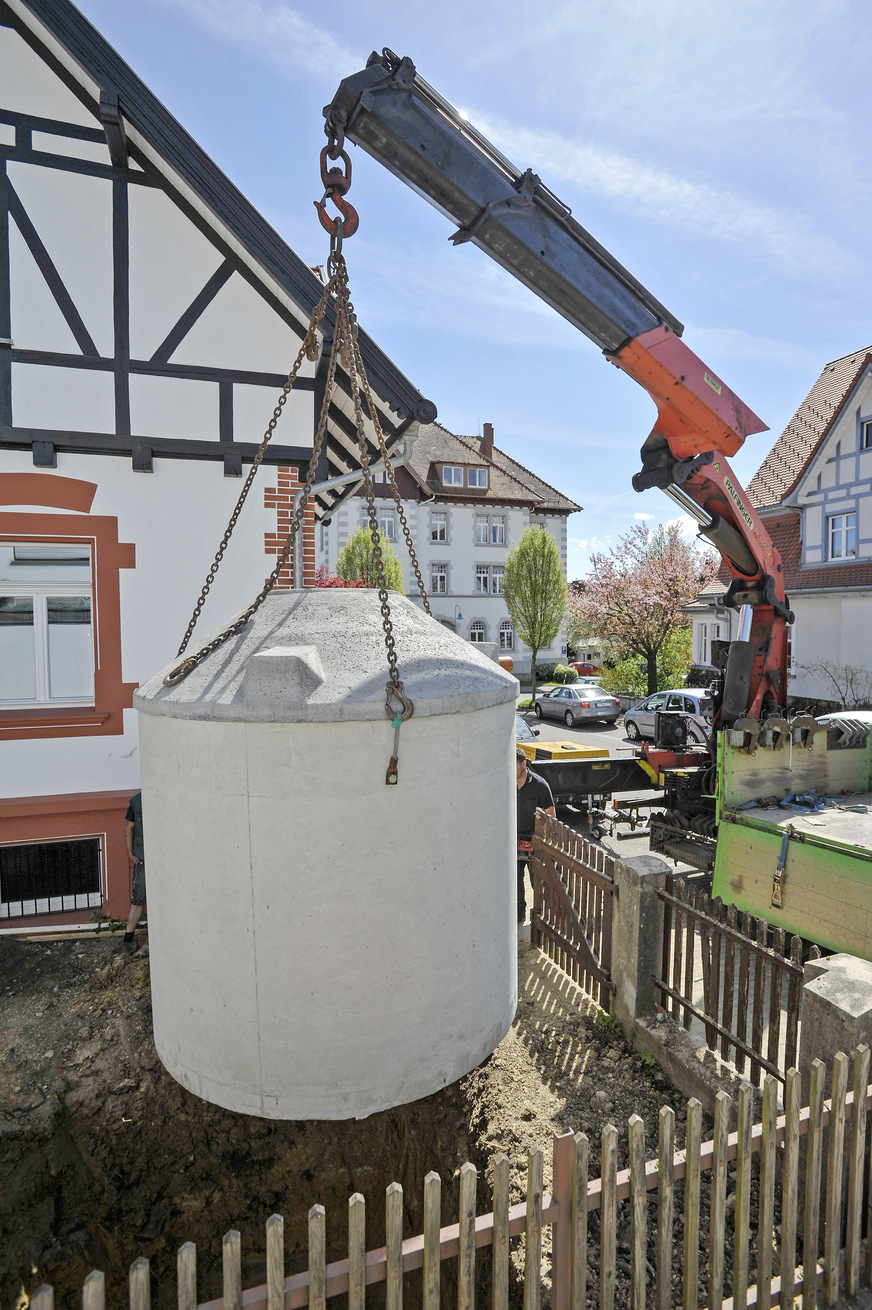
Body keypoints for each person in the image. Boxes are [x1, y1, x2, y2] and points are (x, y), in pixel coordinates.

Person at [515, 746, 555, 925]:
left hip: (534, 843)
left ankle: (541, 919)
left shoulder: (540, 785)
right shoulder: (506, 782)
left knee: (537, 882)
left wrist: (543, 842)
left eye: (514, 765)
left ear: (524, 764)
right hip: (513, 841)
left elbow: (551, 815)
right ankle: (518, 915)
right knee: (515, 882)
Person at [122, 791, 146, 955]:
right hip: (143, 859)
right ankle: (128, 938)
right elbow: (130, 827)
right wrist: (131, 853)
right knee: (138, 898)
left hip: (163, 859)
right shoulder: (137, 802)